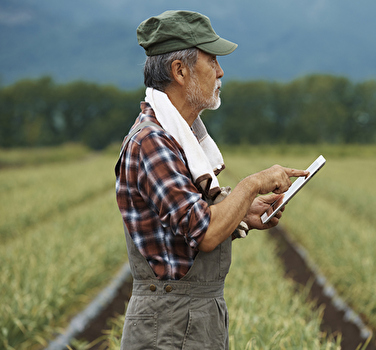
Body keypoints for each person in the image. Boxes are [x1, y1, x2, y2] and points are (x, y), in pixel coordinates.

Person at [115, 10, 308, 349]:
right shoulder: (151, 142)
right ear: (179, 71)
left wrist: (244, 211)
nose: (220, 72)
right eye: (212, 60)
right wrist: (251, 186)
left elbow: (185, 222)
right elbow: (203, 232)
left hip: (191, 316)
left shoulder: (175, 137)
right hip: (169, 324)